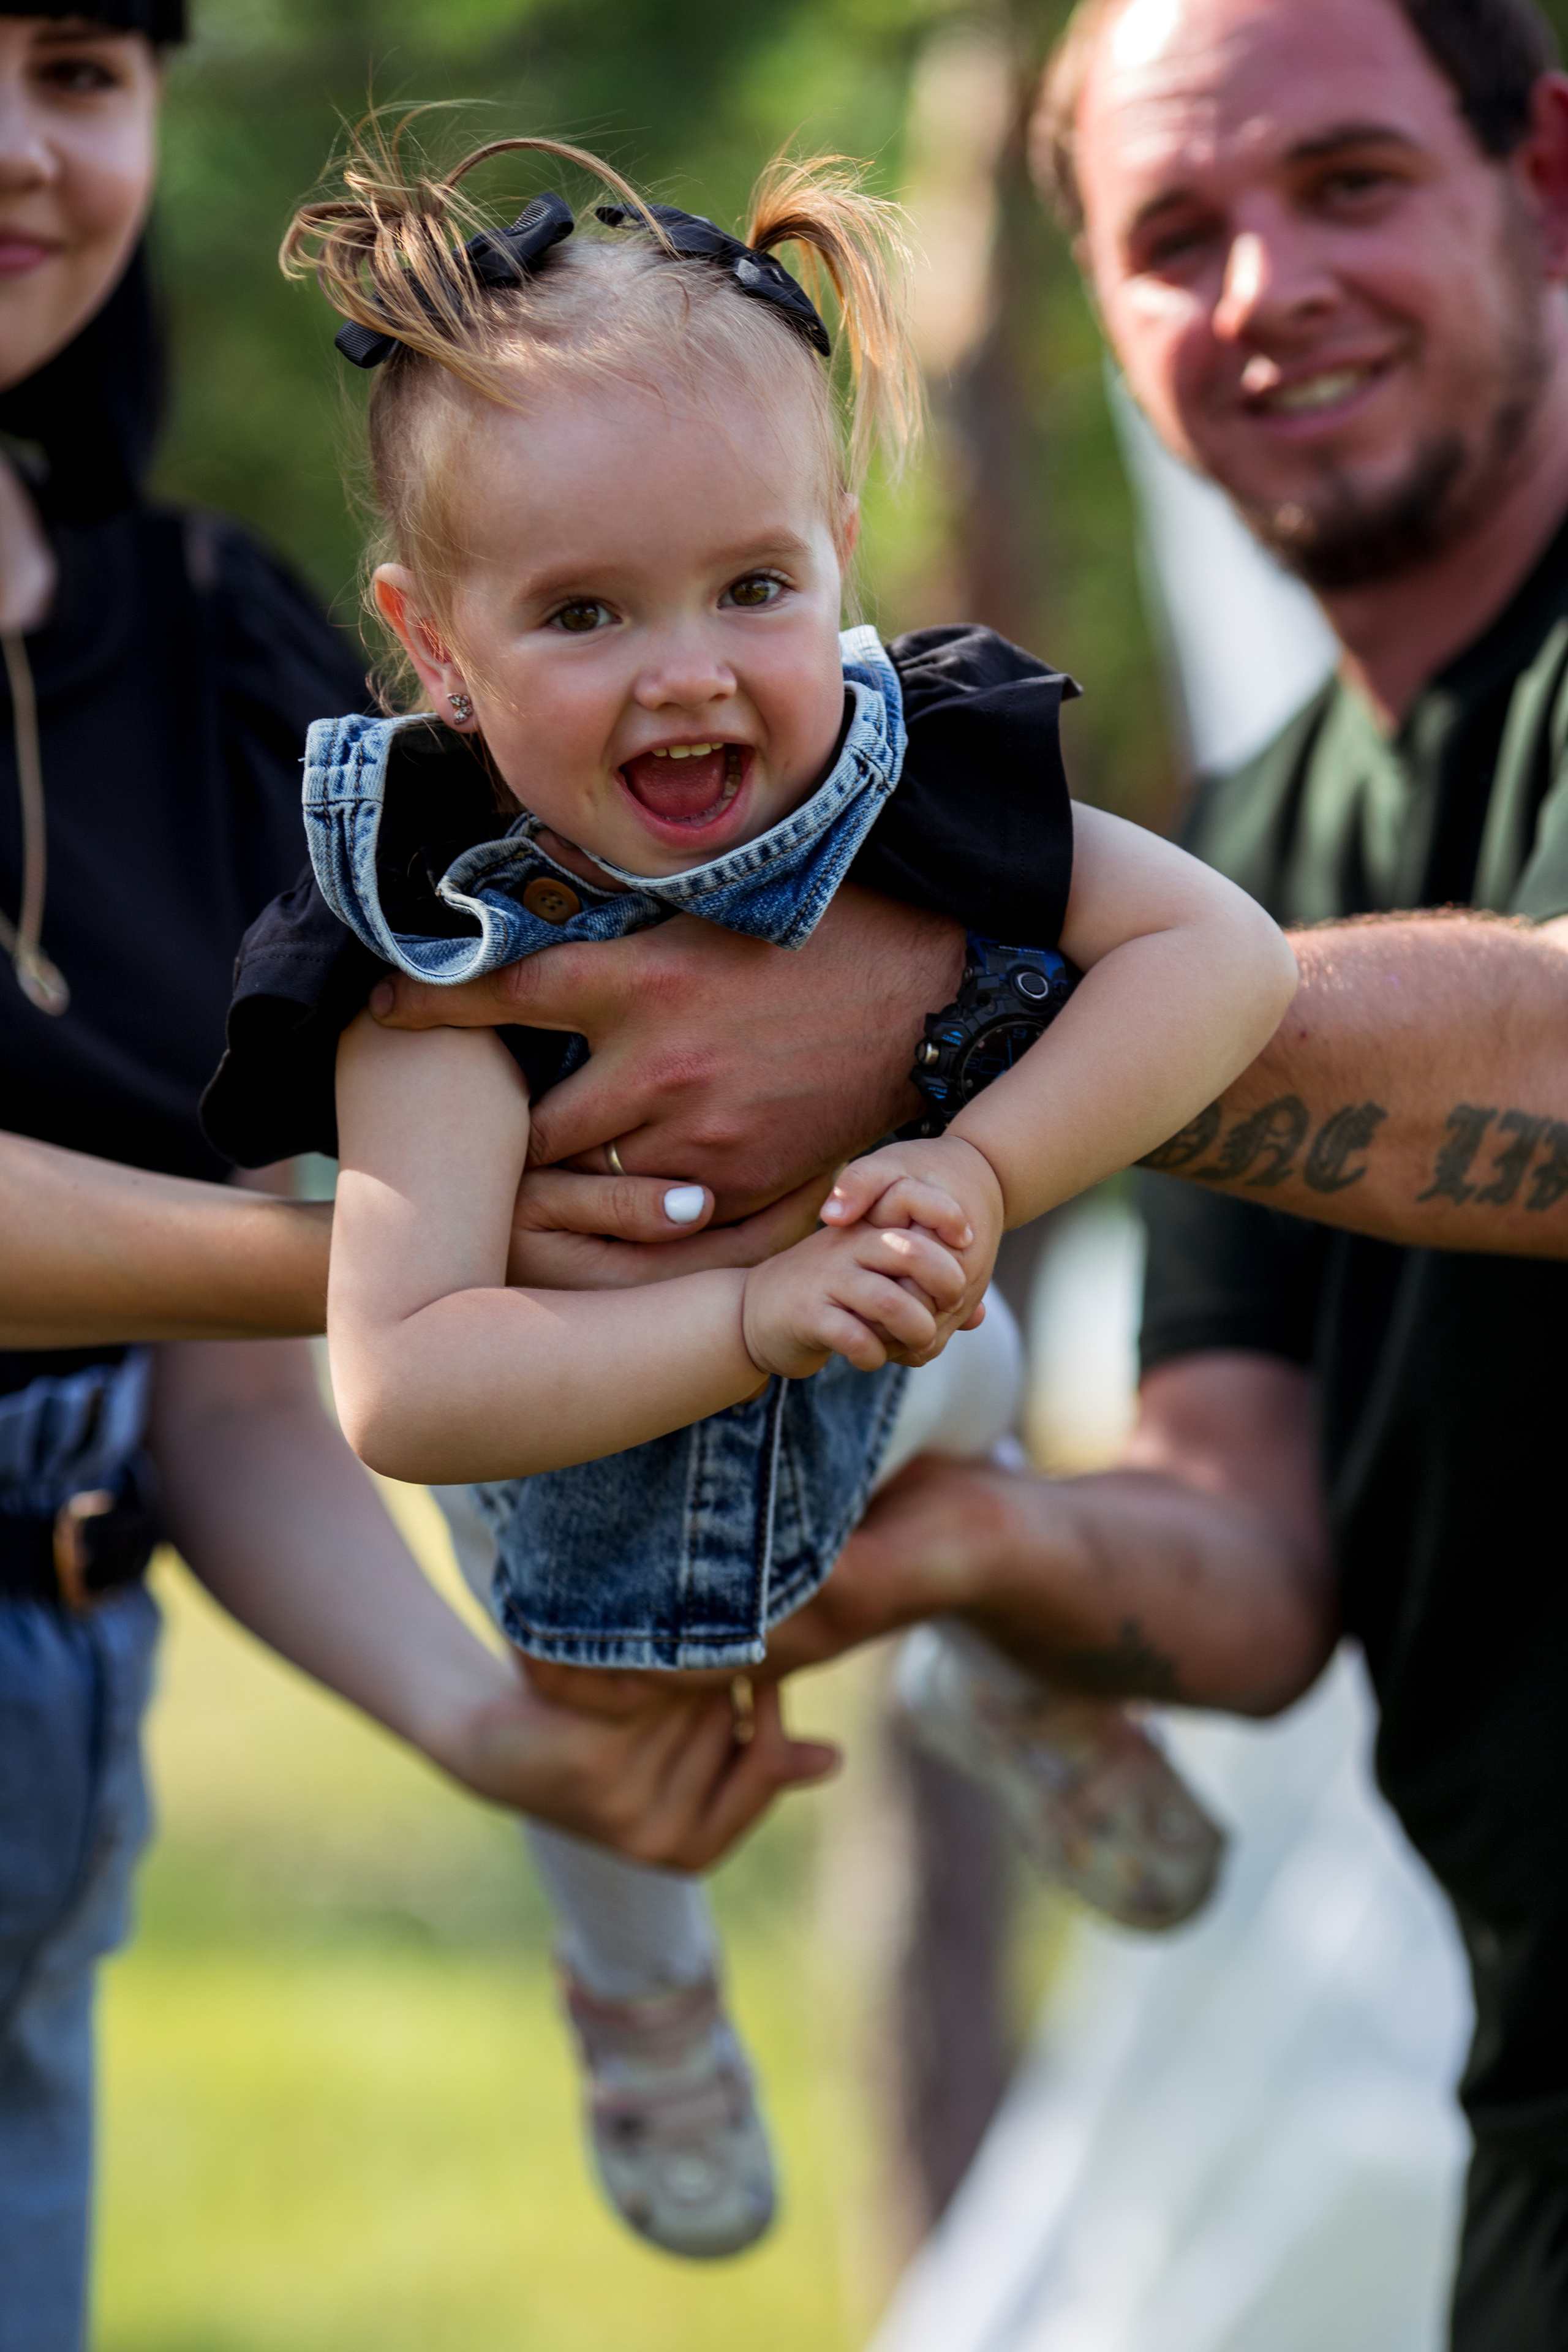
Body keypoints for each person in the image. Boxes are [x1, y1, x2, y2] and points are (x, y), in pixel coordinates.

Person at [204, 123, 1292, 2257]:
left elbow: (1225, 959)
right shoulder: (445, 940)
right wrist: (735, 1320)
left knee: (968, 1433)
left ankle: (1009, 1666)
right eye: (585, 613)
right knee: (613, 1770)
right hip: (606, 1520)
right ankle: (640, 1987)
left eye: (752, 588)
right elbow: (410, 1386)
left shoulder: (931, 785)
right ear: (437, 646)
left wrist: (976, 1172)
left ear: (841, 550)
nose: (689, 669)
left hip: (917, 1365)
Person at [0, 18, 835, 2351]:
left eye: (73, 59)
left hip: (49, 1750)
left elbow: (217, 1386)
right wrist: (382, 1259)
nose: (15, 142)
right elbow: (316, 1300)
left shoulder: (199, 647)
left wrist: (498, 1739)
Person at [738, 1, 1568, 2342]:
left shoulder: (1191, 960)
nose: (1263, 286)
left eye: (1351, 185)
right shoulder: (1267, 845)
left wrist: (933, 1033)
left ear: (1549, 179)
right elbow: (1251, 1549)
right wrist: (950, 1547)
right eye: (1176, 233)